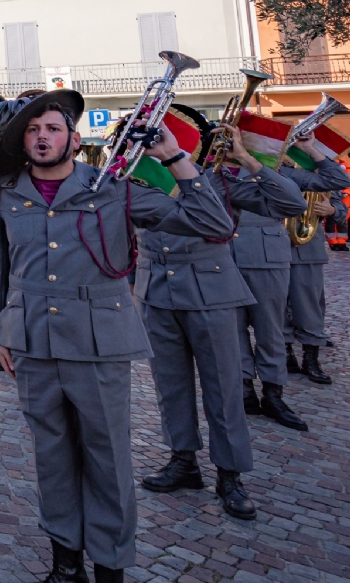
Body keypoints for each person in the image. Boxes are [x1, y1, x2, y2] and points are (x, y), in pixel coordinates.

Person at [0, 91, 233, 583]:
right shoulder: (7, 192)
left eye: (52, 128)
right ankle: (65, 560)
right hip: (32, 341)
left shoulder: (113, 187)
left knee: (107, 455)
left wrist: (174, 157)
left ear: (74, 139)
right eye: (32, 130)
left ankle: (110, 564)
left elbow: (213, 223)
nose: (42, 137)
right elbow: (0, 269)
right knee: (51, 456)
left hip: (99, 342)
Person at [133, 106, 305, 521]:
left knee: (224, 388)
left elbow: (292, 203)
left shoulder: (217, 179)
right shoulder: (133, 180)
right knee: (170, 386)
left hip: (211, 292)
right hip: (157, 292)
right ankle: (183, 460)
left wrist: (246, 160)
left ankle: (229, 474)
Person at [227, 124, 350, 431]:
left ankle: (273, 393)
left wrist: (310, 148)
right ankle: (244, 392)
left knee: (270, 331)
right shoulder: (214, 172)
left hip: (268, 259)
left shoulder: (280, 172)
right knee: (233, 331)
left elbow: (338, 179)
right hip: (224, 260)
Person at [288, 190, 347, 383]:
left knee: (309, 305)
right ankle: (284, 353)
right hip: (271, 245)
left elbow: (339, 204)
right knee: (275, 305)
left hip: (307, 246)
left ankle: (310, 358)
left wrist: (331, 210)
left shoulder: (315, 171)